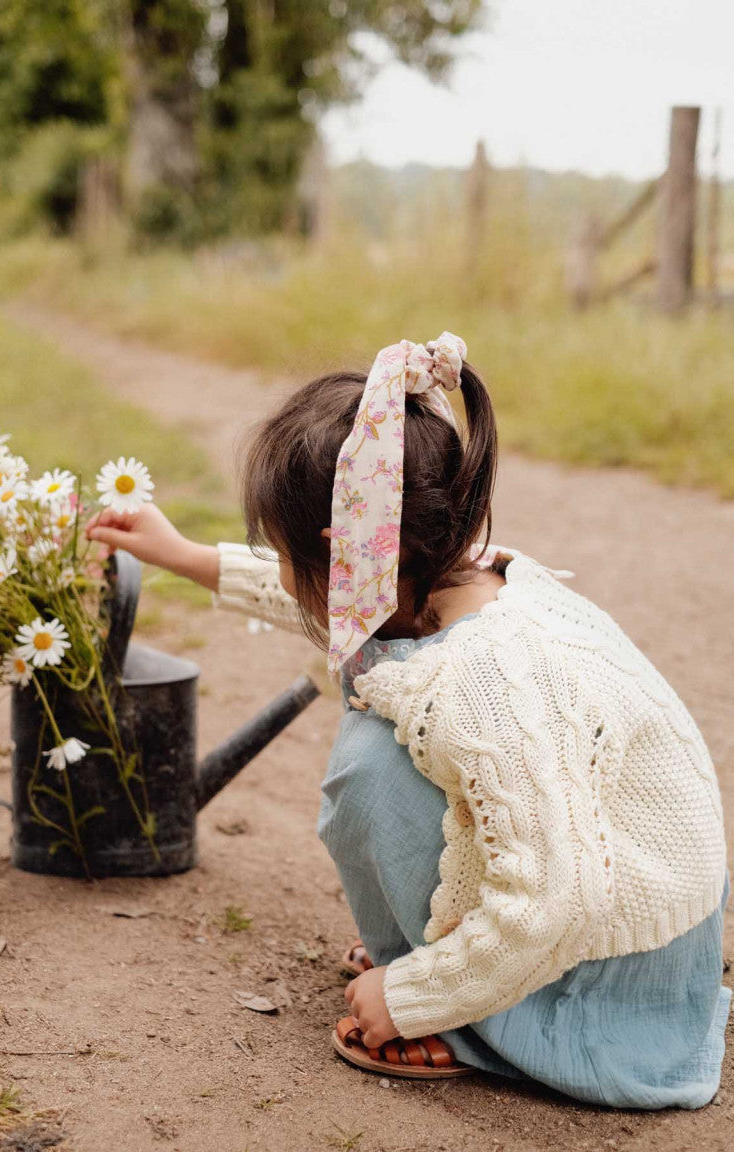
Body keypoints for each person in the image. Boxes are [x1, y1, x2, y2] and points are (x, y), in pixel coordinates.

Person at [86, 333, 730, 1108]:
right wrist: (186, 556)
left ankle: (466, 1009)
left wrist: (419, 993)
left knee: (371, 770)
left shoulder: (490, 680)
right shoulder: (447, 577)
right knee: (385, 731)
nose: (290, 580)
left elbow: (558, 898)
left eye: (290, 559)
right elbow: (339, 607)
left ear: (344, 551)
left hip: (613, 961)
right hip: (594, 891)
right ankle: (454, 957)